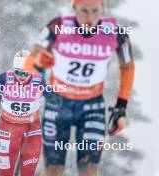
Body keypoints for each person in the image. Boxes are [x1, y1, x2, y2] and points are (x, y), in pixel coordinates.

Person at [23, 0, 135, 175]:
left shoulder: (115, 32)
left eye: (95, 10)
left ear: (102, 8)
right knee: (53, 171)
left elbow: (127, 68)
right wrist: (38, 65)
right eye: (84, 10)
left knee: (88, 170)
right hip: (57, 104)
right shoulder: (57, 26)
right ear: (74, 8)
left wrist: (121, 107)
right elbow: (30, 61)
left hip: (92, 107)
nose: (89, 17)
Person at [0, 50, 53, 176]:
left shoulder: (38, 80)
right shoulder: (4, 78)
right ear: (14, 69)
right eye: (19, 72)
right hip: (8, 129)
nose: (23, 76)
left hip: (32, 130)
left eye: (27, 72)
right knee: (5, 173)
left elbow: (55, 98)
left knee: (28, 172)